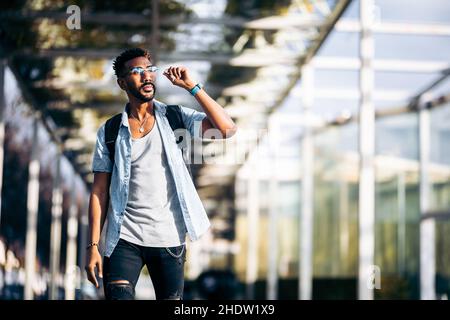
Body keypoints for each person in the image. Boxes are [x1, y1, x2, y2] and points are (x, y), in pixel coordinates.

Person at [85, 48, 237, 300]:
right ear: (122, 83)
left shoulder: (175, 117)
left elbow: (227, 129)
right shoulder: (110, 130)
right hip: (124, 238)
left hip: (169, 238)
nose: (147, 77)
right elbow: (99, 192)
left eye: (150, 70)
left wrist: (192, 87)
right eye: (137, 72)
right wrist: (92, 247)